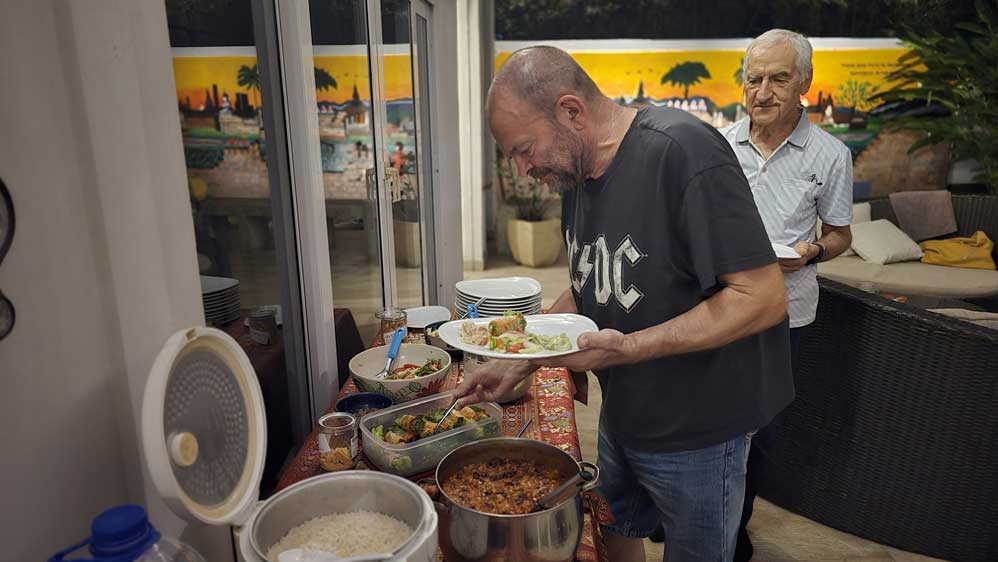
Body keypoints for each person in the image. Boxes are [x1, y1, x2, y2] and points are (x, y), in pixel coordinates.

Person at [452, 46, 794, 562]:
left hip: (699, 429)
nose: (523, 170)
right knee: (615, 531)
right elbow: (591, 283)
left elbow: (762, 296)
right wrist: (519, 359)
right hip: (624, 411)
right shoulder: (576, 168)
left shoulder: (683, 152)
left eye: (524, 149)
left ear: (571, 111)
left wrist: (629, 348)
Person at [720, 29, 854, 562]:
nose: (763, 92)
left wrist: (812, 251)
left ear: (805, 82)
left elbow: (840, 234)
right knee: (708, 419)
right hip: (717, 306)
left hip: (785, 312)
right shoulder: (719, 146)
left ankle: (734, 526)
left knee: (761, 431)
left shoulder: (831, 155)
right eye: (754, 79)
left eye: (778, 78)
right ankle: (695, 512)